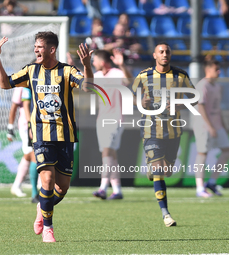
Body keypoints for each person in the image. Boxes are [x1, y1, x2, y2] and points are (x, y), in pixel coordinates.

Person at [0, 31, 93, 242]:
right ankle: (48, 228)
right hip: (41, 134)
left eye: (39, 46)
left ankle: (42, 207)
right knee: (46, 180)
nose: (36, 50)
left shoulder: (67, 71)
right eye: (35, 46)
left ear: (51, 49)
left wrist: (87, 65)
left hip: (65, 135)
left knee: (62, 188)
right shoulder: (31, 71)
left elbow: (88, 88)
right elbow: (4, 84)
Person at [131, 42, 197, 227]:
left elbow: (195, 97)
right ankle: (166, 214)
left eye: (167, 51)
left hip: (173, 131)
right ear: (155, 55)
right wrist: (140, 102)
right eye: (161, 52)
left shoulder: (180, 75)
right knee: (159, 170)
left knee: (166, 171)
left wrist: (180, 104)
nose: (164, 54)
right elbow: (131, 97)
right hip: (150, 129)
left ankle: (153, 169)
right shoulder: (144, 75)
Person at [92, 49, 132, 200]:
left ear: (102, 62)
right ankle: (117, 190)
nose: (93, 63)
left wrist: (122, 65)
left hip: (115, 119)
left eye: (94, 60)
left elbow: (129, 80)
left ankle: (102, 188)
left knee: (106, 153)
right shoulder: (96, 76)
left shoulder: (117, 73)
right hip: (101, 119)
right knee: (112, 155)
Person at [192, 60, 229, 198]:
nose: (218, 72)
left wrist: (224, 126)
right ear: (208, 70)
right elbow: (200, 107)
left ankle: (212, 182)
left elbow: (217, 108)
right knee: (202, 153)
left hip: (217, 125)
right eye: (216, 69)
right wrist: (210, 126)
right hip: (203, 125)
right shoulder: (202, 85)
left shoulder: (217, 87)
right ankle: (200, 187)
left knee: (226, 150)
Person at [8, 87, 39, 203]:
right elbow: (20, 107)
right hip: (28, 126)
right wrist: (10, 127)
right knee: (34, 154)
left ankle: (17, 185)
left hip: (39, 125)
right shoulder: (25, 86)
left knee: (28, 155)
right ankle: (35, 193)